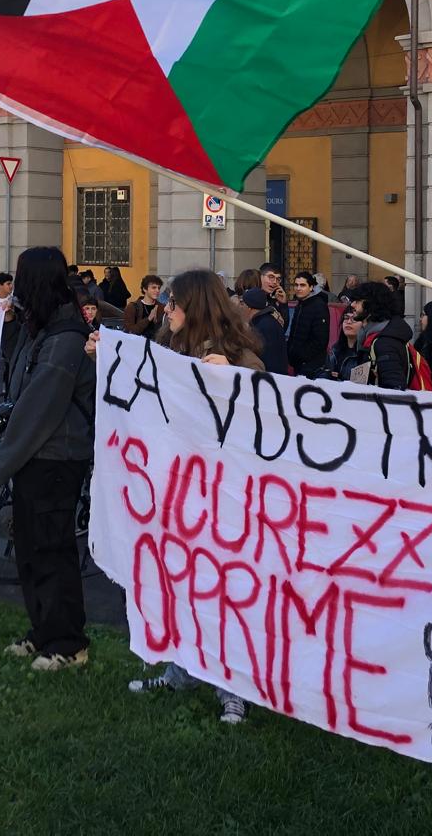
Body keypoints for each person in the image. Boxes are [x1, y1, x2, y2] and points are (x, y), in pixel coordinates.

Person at [127, 267, 262, 722]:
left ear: (197, 307)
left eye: (174, 303)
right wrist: (102, 357)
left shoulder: (239, 355)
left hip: (224, 498)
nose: (166, 310)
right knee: (179, 584)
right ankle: (181, 668)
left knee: (224, 590)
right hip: (175, 492)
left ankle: (233, 687)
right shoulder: (168, 346)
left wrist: (234, 384)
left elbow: (265, 417)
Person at [0, 247, 95, 671]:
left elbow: (38, 409)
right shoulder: (43, 330)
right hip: (37, 459)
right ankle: (44, 630)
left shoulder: (64, 339)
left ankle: (68, 644)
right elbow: (17, 383)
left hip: (55, 459)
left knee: (51, 550)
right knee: (30, 548)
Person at [345, 281, 414, 390]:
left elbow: (394, 388)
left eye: (358, 301)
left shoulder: (385, 343)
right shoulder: (373, 336)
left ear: (372, 304)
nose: (352, 304)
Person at [286, 271, 330, 379]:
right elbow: (294, 333)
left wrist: (301, 356)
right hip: (298, 364)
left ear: (311, 287)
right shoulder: (300, 305)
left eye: (302, 285)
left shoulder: (319, 306)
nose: (298, 288)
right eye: (296, 285)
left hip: (311, 366)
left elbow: (320, 340)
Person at [240, 287, 290, 375]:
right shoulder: (267, 320)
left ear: (248, 308)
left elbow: (269, 359)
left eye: (242, 304)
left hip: (271, 378)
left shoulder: (262, 326)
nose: (241, 307)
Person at [124, 275, 165, 340]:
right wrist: (148, 319)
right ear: (144, 289)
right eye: (154, 288)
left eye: (159, 288)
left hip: (155, 346)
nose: (157, 290)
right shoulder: (133, 307)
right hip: (138, 345)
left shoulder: (162, 307)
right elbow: (129, 332)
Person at [328, 310, 364, 382]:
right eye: (346, 318)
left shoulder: (365, 352)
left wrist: (340, 377)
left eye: (354, 319)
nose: (349, 322)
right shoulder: (335, 349)